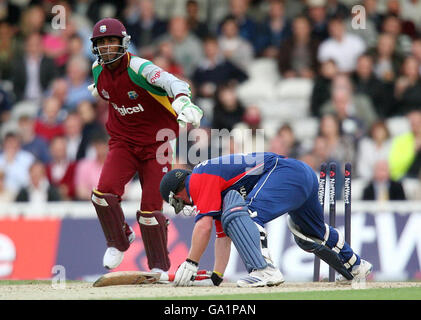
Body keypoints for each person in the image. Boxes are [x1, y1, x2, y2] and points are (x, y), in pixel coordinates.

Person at [88, 18, 203, 276]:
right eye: (102, 43)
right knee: (102, 196)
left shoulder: (140, 68)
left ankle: (159, 268)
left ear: (123, 43)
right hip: (123, 143)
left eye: (111, 42)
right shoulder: (97, 69)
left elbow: (175, 84)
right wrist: (99, 90)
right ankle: (119, 241)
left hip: (157, 145)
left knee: (151, 211)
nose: (107, 47)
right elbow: (105, 89)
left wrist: (183, 101)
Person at [160, 152, 372, 287]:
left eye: (178, 202)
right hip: (301, 173)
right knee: (312, 232)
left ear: (177, 193)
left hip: (284, 171)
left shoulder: (197, 178)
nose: (184, 205)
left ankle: (265, 271)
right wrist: (216, 276)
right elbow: (222, 236)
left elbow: (203, 226)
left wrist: (190, 263)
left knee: (246, 215)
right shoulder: (212, 186)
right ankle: (357, 265)